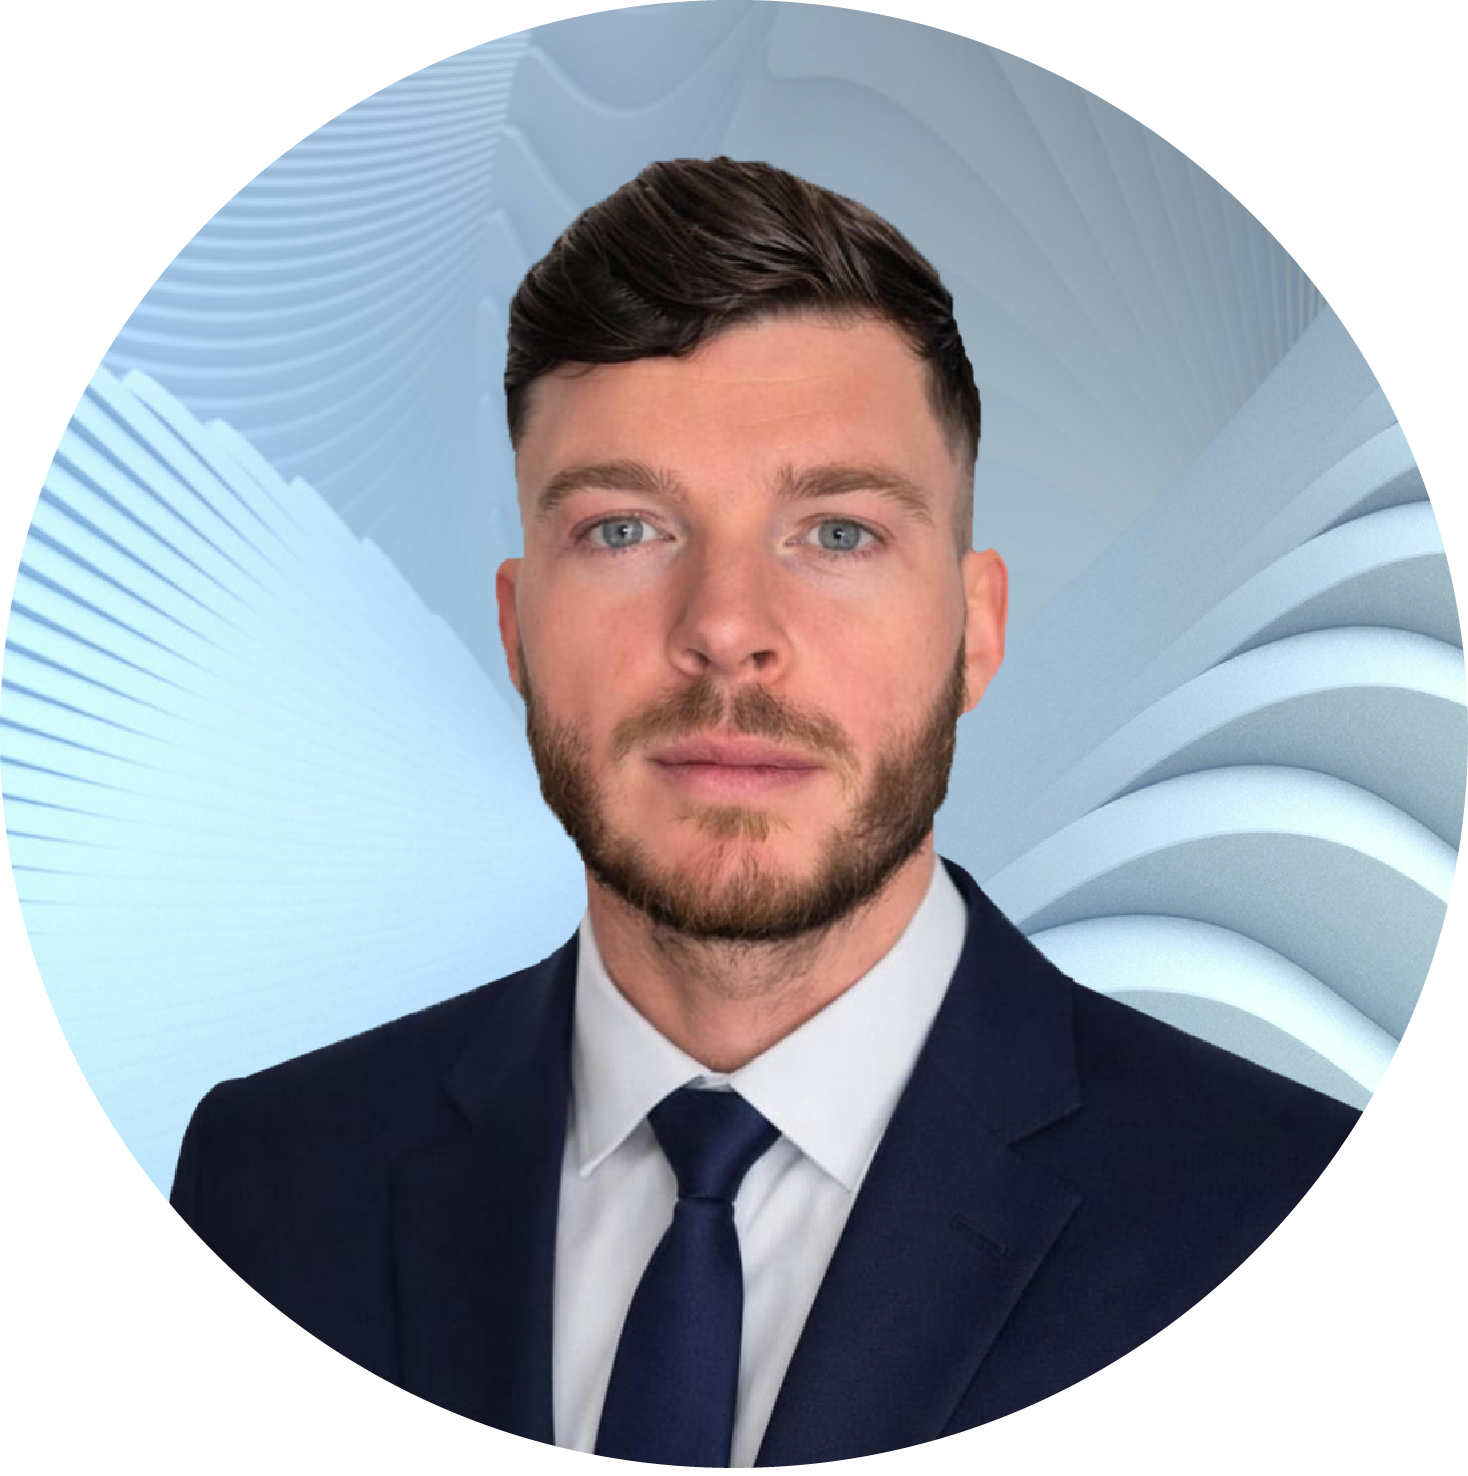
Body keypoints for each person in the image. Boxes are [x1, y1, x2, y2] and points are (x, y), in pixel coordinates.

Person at [171, 157, 1368, 1475]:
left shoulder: (1318, 1237)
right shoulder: (267, 1185)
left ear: (975, 629)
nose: (726, 629)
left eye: (837, 533)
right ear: (516, 630)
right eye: (625, 530)